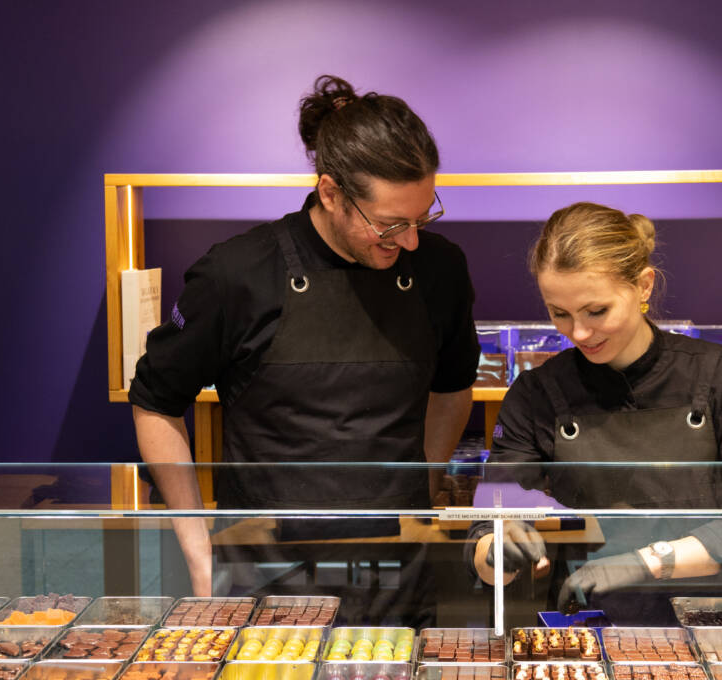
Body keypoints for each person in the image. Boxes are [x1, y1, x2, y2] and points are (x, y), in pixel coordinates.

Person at [130, 75, 480, 606]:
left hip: (395, 572)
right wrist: (200, 554)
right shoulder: (237, 273)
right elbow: (155, 403)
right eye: (390, 225)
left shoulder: (439, 269)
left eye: (421, 218)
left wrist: (419, 498)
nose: (409, 240)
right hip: (264, 574)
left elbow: (453, 391)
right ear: (331, 192)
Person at [469, 202, 722, 622]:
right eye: (559, 313)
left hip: (707, 622)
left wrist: (643, 562)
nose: (578, 333)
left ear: (644, 286)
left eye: (596, 311)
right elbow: (491, 516)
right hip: (587, 623)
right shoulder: (536, 393)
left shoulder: (718, 372)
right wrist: (497, 549)